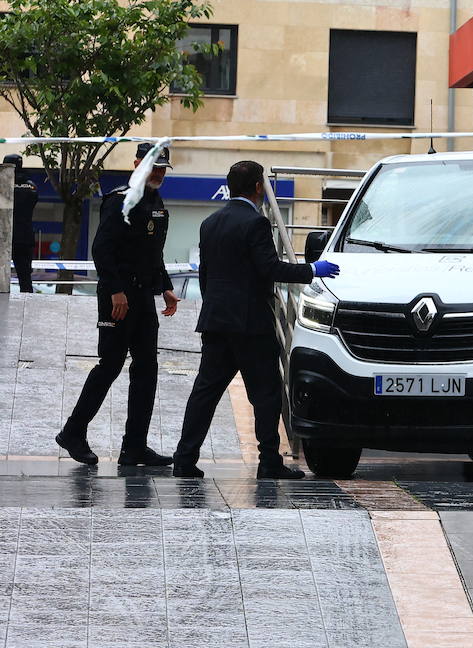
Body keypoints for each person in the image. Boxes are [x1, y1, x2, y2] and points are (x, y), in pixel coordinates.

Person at [172, 160, 340, 479]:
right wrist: (311, 271)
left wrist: (217, 308)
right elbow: (270, 269)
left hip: (216, 321)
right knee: (266, 394)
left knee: (205, 393)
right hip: (251, 325)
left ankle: (184, 458)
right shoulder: (256, 223)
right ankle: (269, 462)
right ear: (259, 187)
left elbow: (206, 277)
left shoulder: (209, 223)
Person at [55, 143, 180, 467]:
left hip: (143, 299)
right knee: (109, 366)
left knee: (146, 370)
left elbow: (154, 252)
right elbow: (102, 250)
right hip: (118, 298)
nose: (159, 173)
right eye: (153, 167)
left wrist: (165, 287)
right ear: (137, 163)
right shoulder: (120, 199)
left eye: (163, 168)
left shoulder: (155, 201)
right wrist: (115, 291)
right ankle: (73, 432)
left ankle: (134, 446)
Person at [5, 155, 37, 293]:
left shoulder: (3, 185)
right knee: (25, 279)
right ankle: (28, 310)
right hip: (24, 238)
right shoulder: (32, 186)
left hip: (4, 238)